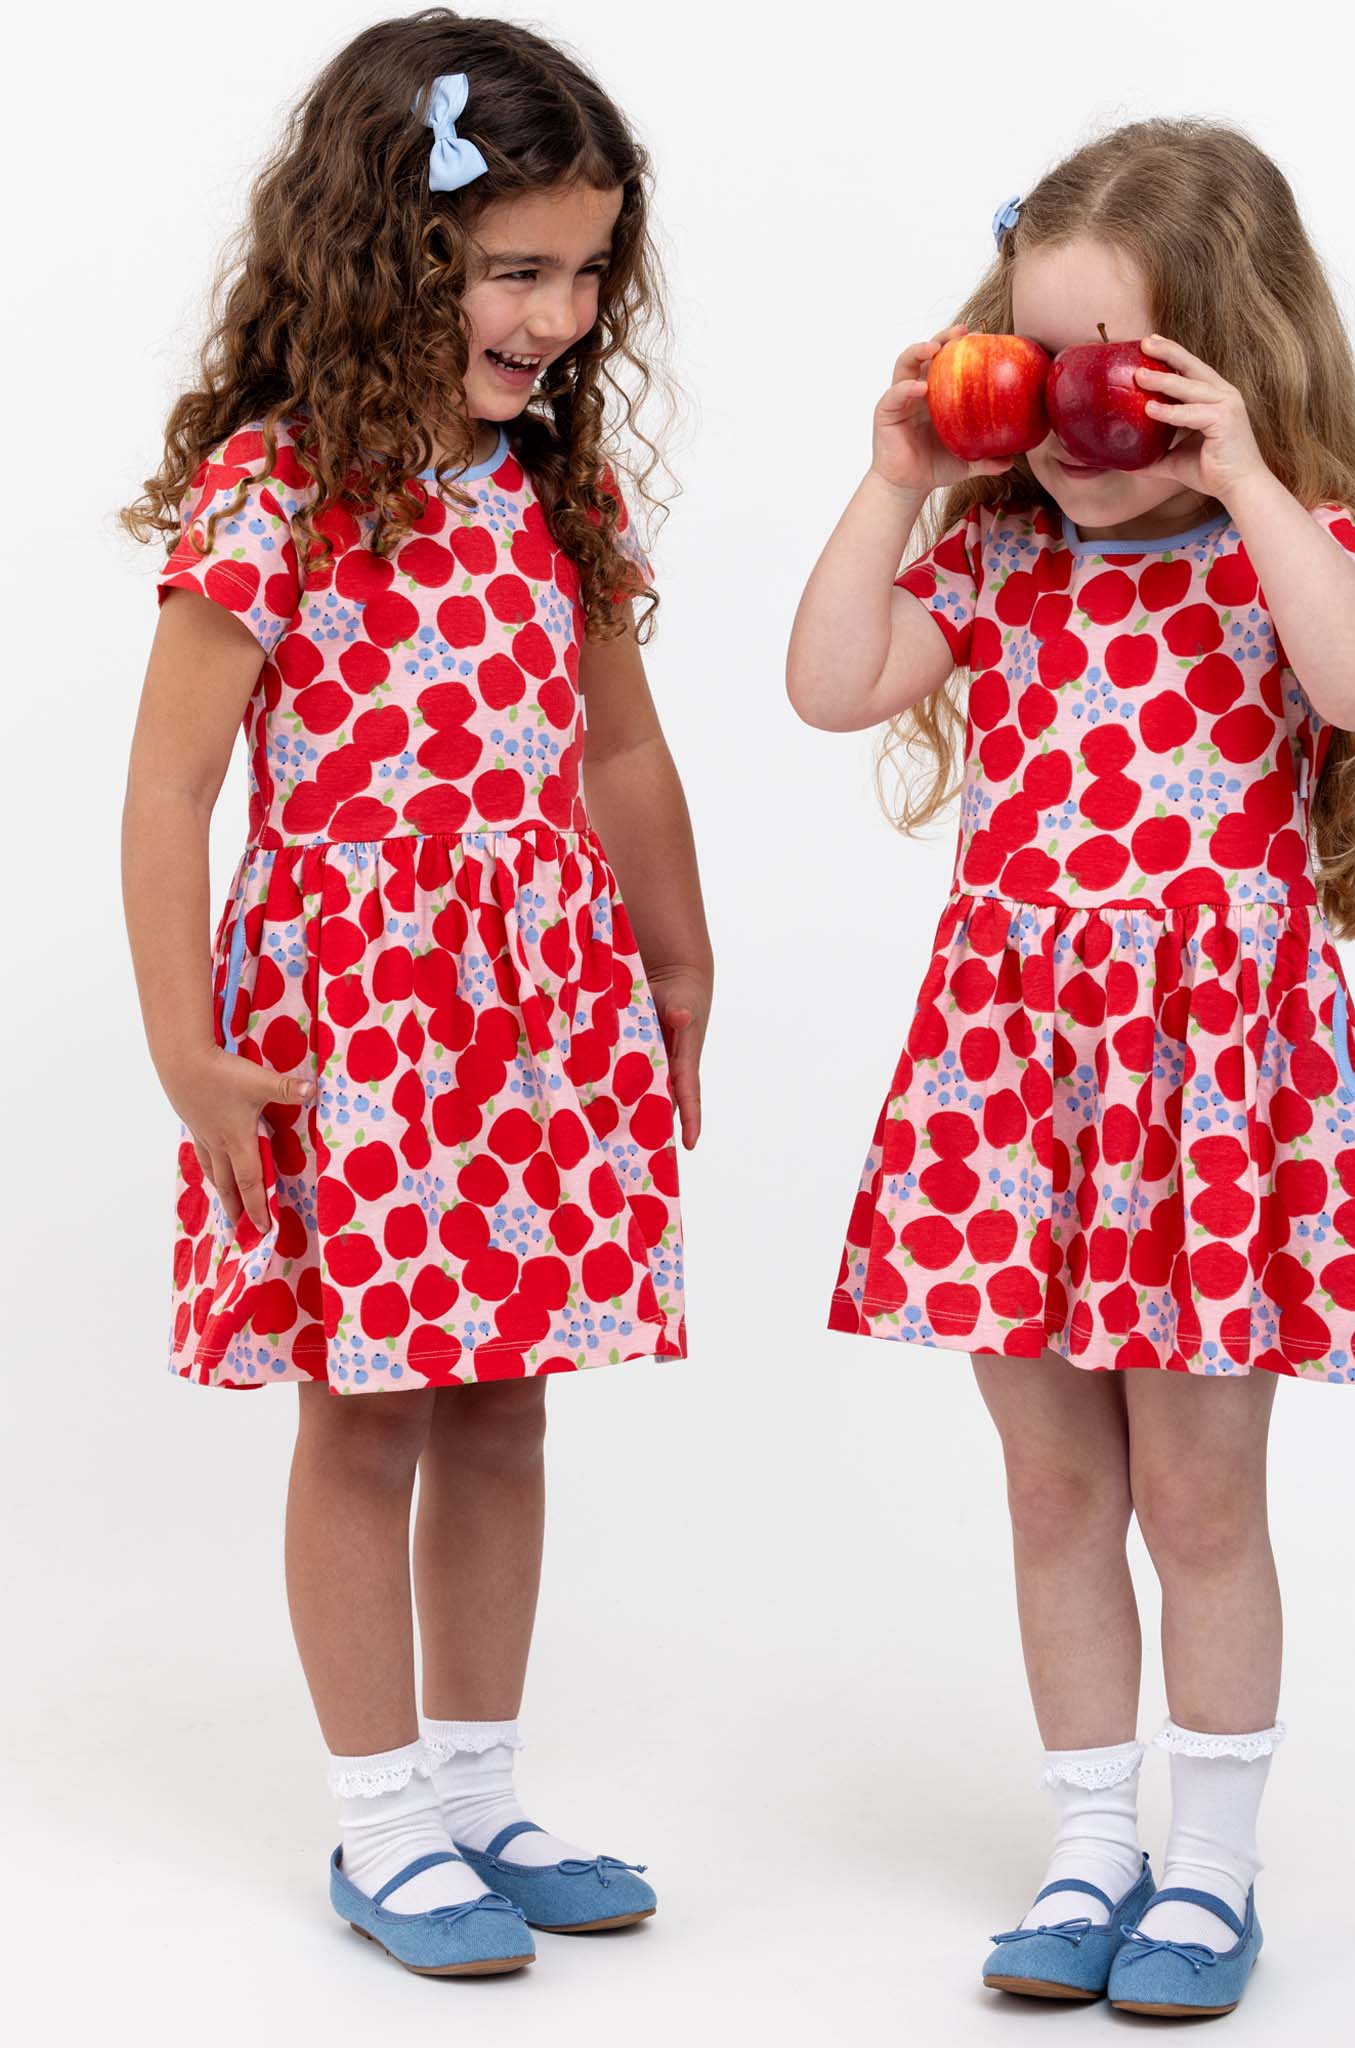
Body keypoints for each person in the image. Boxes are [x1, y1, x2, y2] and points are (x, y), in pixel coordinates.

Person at [787, 117, 1355, 2018]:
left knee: (1202, 1501)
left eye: (1122, 383)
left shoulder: (1285, 551)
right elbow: (831, 682)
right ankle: (1091, 1841)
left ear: (1227, 368)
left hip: (1207, 1095)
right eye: (1037, 371)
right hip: (1017, 1091)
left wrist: (1239, 474)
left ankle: (1212, 1867)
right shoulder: (995, 563)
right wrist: (897, 475)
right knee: (1056, 1493)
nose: (1073, 428)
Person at [120, 9, 711, 1979]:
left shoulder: (562, 491)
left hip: (536, 1012)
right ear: (392, 253)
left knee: (506, 1408)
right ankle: (381, 1818)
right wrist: (183, 1042)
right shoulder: (274, 490)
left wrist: (678, 951)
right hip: (356, 1023)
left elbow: (617, 748)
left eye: (587, 268)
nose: (562, 309)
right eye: (517, 266)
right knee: (362, 1417)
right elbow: (173, 782)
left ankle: (479, 1785)